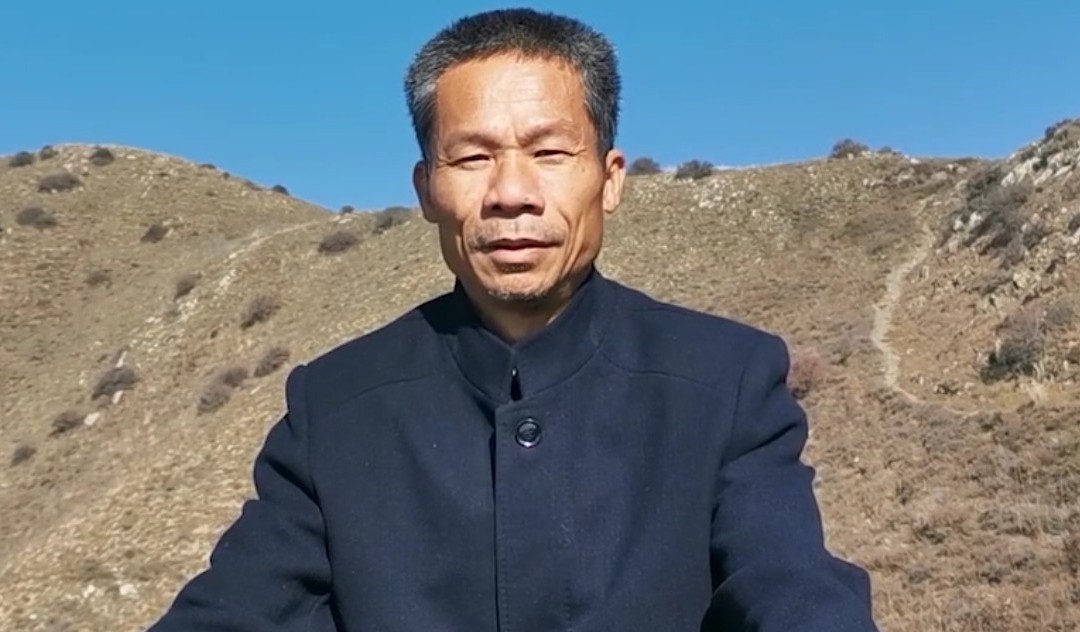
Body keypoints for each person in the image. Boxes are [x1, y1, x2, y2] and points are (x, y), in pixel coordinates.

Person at [148, 8, 879, 631]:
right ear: (427, 188)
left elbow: (792, 590)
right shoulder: (336, 408)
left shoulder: (725, 381)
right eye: (472, 158)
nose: (511, 193)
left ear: (610, 178)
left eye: (550, 152)